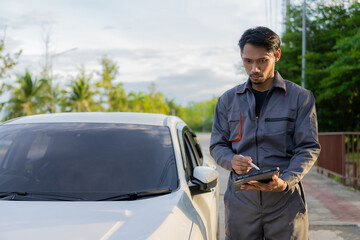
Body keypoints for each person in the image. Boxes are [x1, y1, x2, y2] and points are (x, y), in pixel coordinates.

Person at [210, 26, 321, 239]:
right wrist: (231, 160)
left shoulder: (300, 98)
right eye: (248, 61)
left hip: (285, 201)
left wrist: (286, 181)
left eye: (262, 60)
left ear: (276, 55)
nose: (254, 69)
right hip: (242, 201)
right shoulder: (227, 100)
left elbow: (308, 147)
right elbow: (217, 144)